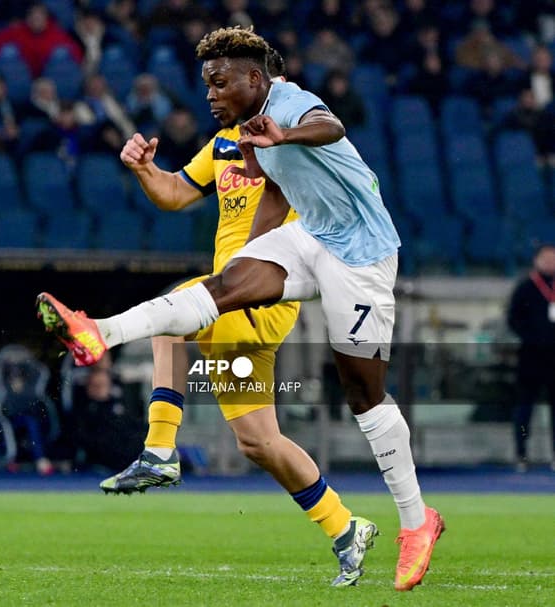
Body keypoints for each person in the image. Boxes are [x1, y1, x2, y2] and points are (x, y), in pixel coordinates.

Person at [37, 26, 444, 592]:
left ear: (256, 78)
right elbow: (209, 193)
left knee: (363, 393)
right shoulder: (234, 137)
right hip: (304, 245)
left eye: (219, 82)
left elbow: (334, 127)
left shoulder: (291, 102)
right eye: (206, 84)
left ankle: (416, 520)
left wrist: (283, 137)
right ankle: (345, 529)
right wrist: (159, 179)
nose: (210, 95)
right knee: (255, 435)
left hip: (359, 256)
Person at [506, 244, 555, 473]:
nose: (549, 262)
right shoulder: (526, 288)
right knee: (525, 408)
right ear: (536, 260)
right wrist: (533, 337)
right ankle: (521, 454)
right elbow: (513, 319)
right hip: (531, 357)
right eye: (545, 258)